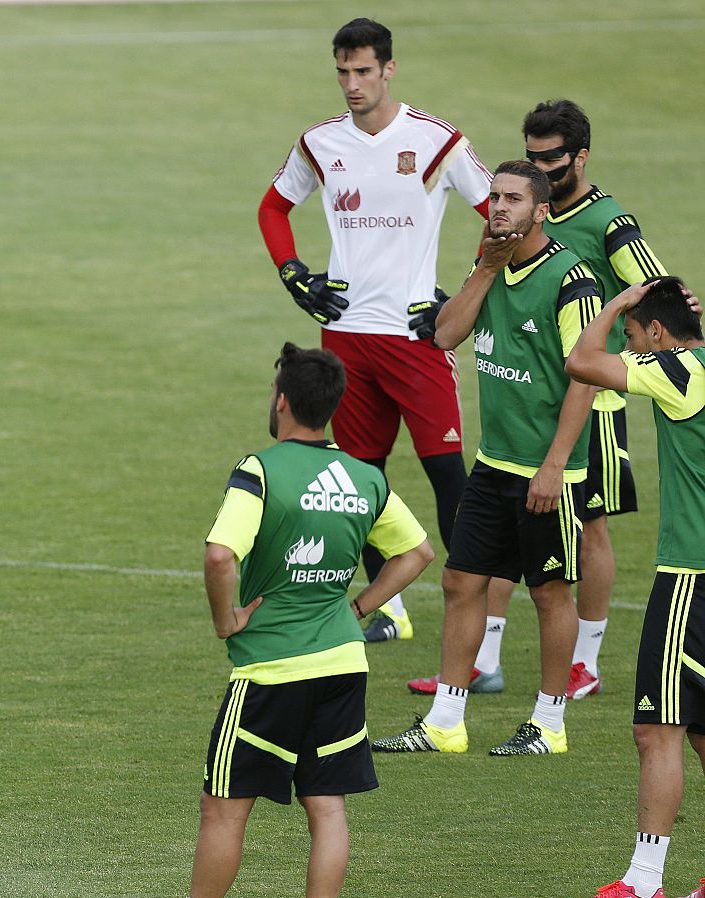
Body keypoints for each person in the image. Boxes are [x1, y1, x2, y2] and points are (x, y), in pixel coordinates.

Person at [116, 343, 431, 898]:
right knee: (328, 807)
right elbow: (418, 552)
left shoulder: (260, 471)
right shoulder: (364, 477)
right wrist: (357, 606)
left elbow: (219, 555)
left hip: (271, 670)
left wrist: (225, 621)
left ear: (282, 400)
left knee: (224, 806)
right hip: (342, 663)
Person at [411, 101, 677, 700]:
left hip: (590, 405)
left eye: (550, 158)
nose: (541, 167)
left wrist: (657, 359)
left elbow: (655, 291)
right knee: (499, 546)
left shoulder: (608, 223)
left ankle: (586, 662)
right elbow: (450, 331)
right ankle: (485, 657)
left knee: (586, 530)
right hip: (519, 415)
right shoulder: (508, 237)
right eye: (531, 157)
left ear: (579, 158)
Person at [258, 17, 490, 646]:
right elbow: (273, 207)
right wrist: (293, 273)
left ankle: (485, 625)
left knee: (448, 477)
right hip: (346, 339)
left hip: (415, 338)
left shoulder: (436, 141)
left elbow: (501, 216)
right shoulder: (320, 143)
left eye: (363, 71)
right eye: (343, 72)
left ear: (389, 69)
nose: (352, 84)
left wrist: (461, 295)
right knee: (362, 482)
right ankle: (389, 609)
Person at [372, 161, 601, 758]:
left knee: (549, 593)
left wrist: (554, 465)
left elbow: (585, 380)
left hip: (549, 472)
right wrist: (484, 269)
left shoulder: (573, 281)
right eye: (495, 196)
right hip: (493, 462)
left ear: (541, 210)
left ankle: (549, 724)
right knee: (461, 581)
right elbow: (445, 334)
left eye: (513, 199)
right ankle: (446, 722)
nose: (499, 206)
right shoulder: (490, 266)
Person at [561, 277, 705, 898]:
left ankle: (643, 883)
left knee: (656, 729)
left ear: (657, 332)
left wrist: (618, 302)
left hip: (691, 577)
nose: (631, 344)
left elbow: (582, 362)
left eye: (634, 335)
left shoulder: (678, 371)